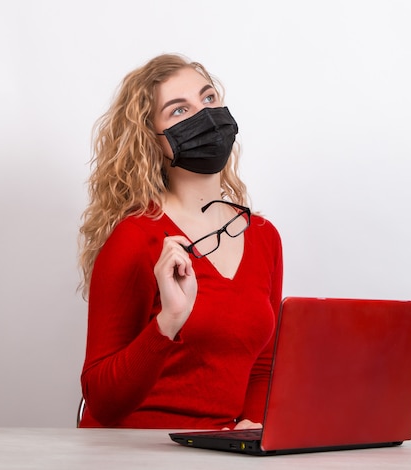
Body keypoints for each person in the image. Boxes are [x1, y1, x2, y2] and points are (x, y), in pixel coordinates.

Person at [77, 53, 283, 429]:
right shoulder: (136, 237)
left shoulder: (264, 237)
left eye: (208, 99)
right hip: (134, 451)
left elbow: (263, 367)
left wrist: (252, 432)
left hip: (218, 450)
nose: (204, 117)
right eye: (178, 111)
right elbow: (102, 401)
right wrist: (168, 322)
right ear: (152, 141)